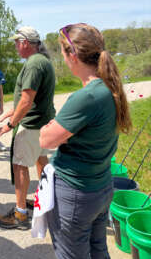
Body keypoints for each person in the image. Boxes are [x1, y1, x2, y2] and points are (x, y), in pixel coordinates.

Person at [40, 23, 132, 259]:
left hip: (77, 193)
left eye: (62, 52)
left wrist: (50, 127)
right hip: (100, 186)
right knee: (98, 249)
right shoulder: (108, 86)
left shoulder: (87, 96)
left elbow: (46, 140)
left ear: (73, 55)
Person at [0, 26, 56, 229]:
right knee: (41, 161)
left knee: (20, 166)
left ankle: (20, 215)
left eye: (16, 42)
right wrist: (12, 111)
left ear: (25, 43)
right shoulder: (42, 61)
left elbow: (27, 100)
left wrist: (10, 124)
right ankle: (43, 201)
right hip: (44, 123)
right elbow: (31, 97)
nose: (15, 46)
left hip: (31, 125)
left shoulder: (33, 64)